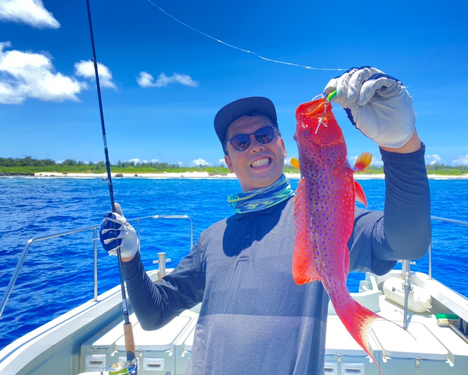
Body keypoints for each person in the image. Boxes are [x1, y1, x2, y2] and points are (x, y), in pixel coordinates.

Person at [100, 67, 431, 374]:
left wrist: (401, 146)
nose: (255, 146)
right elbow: (154, 314)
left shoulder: (320, 214)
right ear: (229, 161)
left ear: (283, 145)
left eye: (264, 134)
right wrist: (130, 258)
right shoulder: (212, 239)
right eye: (241, 142)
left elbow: (406, 243)